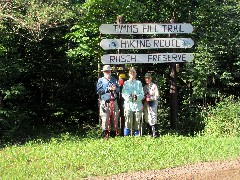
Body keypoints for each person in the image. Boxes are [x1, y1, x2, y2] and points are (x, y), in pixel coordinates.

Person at [96, 65, 120, 138]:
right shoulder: (101, 80)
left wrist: (115, 89)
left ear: (110, 71)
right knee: (105, 118)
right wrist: (108, 89)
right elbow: (99, 91)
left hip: (114, 101)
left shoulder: (114, 79)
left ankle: (113, 135)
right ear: (103, 72)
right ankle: (105, 135)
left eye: (109, 71)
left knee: (114, 118)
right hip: (105, 102)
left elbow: (119, 89)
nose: (108, 72)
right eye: (106, 71)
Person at [122, 68, 144, 136]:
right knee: (128, 122)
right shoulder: (125, 83)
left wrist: (137, 97)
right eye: (131, 73)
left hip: (137, 106)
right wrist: (129, 97)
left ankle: (136, 136)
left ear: (135, 74)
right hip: (128, 106)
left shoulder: (139, 83)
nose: (132, 74)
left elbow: (142, 94)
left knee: (137, 122)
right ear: (129, 74)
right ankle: (126, 136)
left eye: (134, 73)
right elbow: (123, 94)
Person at [143, 73, 159, 137]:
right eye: (146, 78)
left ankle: (155, 133)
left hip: (153, 103)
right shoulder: (144, 87)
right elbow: (142, 96)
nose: (147, 79)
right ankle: (150, 132)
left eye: (148, 78)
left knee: (153, 117)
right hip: (146, 104)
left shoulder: (154, 86)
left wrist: (151, 98)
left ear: (151, 78)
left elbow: (157, 96)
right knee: (147, 118)